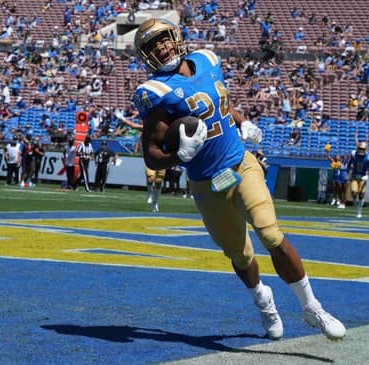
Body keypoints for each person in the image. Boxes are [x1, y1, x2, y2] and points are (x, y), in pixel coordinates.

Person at [133, 18, 345, 340]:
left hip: (240, 163)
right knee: (240, 255)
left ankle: (313, 307)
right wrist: (179, 156)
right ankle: (263, 299)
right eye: (152, 46)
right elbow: (150, 152)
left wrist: (243, 122)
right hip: (206, 181)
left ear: (175, 37)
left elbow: (220, 106)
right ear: (146, 55)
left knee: (270, 234)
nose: (161, 47)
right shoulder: (155, 92)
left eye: (163, 39)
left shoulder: (206, 60)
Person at [348, 141, 369, 218]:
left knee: (361, 195)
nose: (361, 150)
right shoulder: (353, 154)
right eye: (360, 148)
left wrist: (368, 176)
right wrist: (348, 174)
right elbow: (349, 164)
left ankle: (359, 212)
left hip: (363, 177)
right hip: (355, 176)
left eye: (363, 149)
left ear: (366, 149)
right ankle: (355, 205)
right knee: (354, 193)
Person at [325, 145, 347, 209]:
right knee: (336, 189)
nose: (336, 157)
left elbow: (347, 158)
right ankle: (336, 200)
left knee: (341, 190)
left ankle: (340, 201)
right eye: (336, 156)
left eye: (338, 156)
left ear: (340, 158)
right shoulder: (334, 162)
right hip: (336, 177)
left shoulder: (343, 162)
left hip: (342, 177)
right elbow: (328, 157)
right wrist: (327, 152)